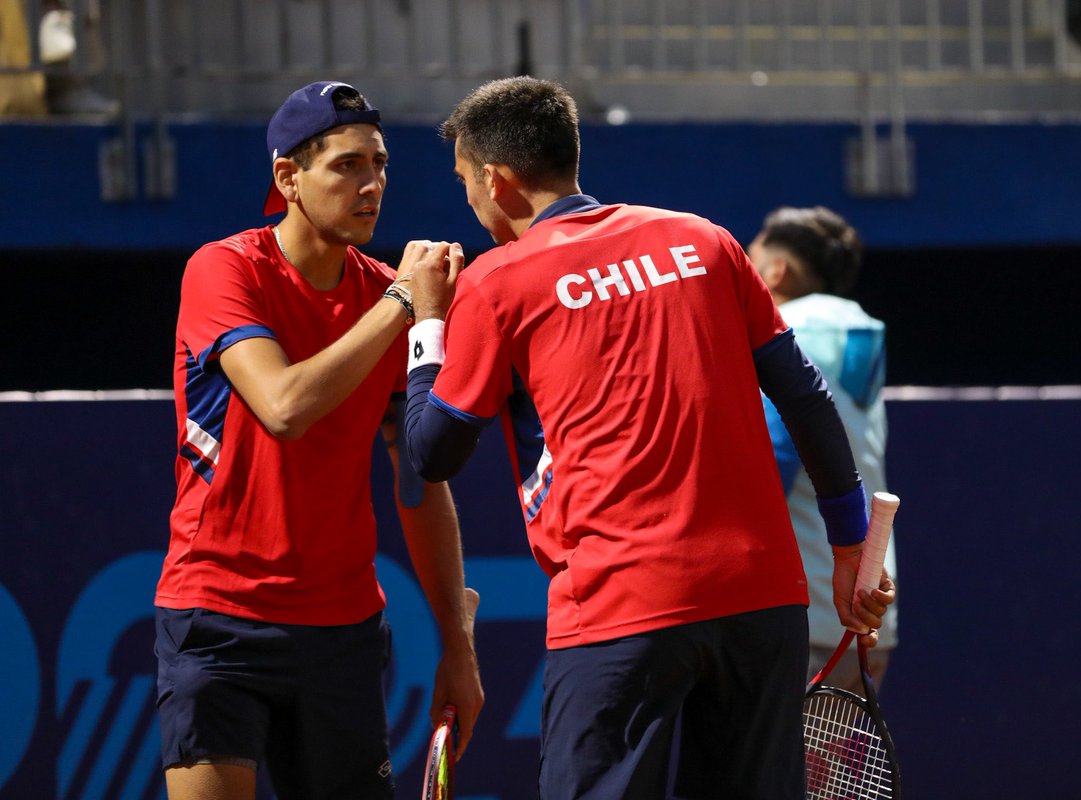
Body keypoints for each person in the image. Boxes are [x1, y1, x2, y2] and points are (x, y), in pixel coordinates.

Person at [399, 76, 895, 799]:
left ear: (497, 180)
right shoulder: (705, 240)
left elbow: (431, 452)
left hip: (618, 611)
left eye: (466, 184)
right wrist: (848, 548)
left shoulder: (498, 282)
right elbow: (805, 397)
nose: (469, 204)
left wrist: (427, 325)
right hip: (762, 604)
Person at [153, 80, 483, 800]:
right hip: (218, 619)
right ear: (288, 178)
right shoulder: (224, 270)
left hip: (343, 633)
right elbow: (283, 406)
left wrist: (457, 646)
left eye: (381, 164)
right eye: (347, 165)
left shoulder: (383, 299)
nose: (372, 184)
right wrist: (405, 301)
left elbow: (419, 480)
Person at [747, 206, 898, 695]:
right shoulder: (860, 335)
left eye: (751, 258)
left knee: (777, 775)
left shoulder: (782, 333)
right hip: (868, 610)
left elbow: (772, 462)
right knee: (825, 775)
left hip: (802, 615)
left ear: (777, 271)